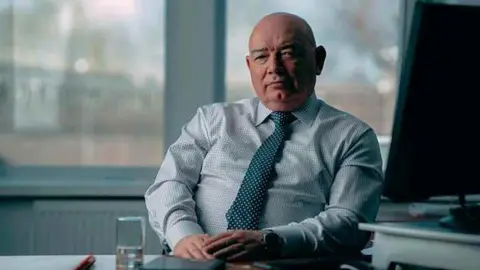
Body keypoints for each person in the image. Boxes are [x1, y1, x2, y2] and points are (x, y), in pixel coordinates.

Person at [145, 12, 384, 262]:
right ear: (250, 67)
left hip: (289, 266)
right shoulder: (212, 120)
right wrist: (184, 237)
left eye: (289, 53)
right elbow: (169, 185)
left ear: (318, 60)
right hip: (196, 264)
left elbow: (348, 221)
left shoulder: (353, 137)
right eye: (262, 57)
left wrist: (271, 241)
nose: (274, 68)